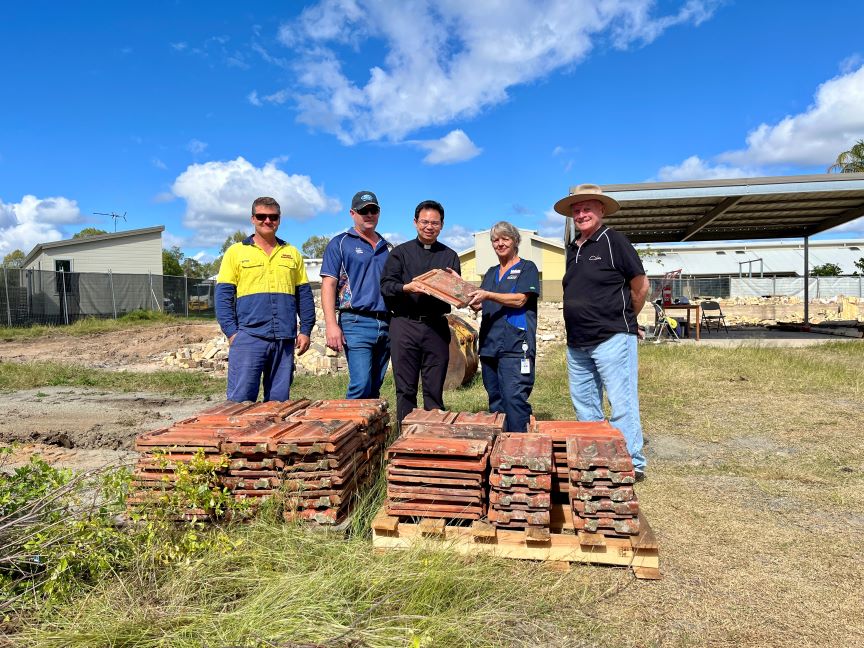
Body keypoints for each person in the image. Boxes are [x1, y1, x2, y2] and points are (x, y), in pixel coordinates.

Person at [554, 184, 650, 479]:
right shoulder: (573, 248)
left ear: (601, 210)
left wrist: (625, 321)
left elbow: (640, 286)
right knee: (585, 405)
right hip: (578, 342)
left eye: (587, 208)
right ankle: (597, 459)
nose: (581, 214)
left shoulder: (614, 241)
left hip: (611, 337)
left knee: (621, 402)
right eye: (576, 210)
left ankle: (632, 463)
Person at [215, 196, 314, 402]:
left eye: (273, 217)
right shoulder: (236, 252)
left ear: (279, 219)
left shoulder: (292, 253)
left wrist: (305, 330)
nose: (267, 221)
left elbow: (304, 295)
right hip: (248, 338)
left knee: (277, 405)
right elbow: (223, 297)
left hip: (284, 340)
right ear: (253, 219)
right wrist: (233, 334)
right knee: (240, 403)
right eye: (261, 216)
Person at [380, 200, 461, 423]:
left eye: (435, 223)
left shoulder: (450, 256)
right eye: (424, 221)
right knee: (405, 388)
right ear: (415, 222)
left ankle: (432, 437)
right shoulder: (400, 253)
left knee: (434, 388)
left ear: (442, 225)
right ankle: (406, 439)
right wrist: (406, 288)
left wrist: (460, 288)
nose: (429, 226)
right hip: (404, 325)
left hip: (436, 326)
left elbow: (457, 294)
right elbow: (386, 286)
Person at [467, 222, 539, 433]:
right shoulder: (491, 273)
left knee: (514, 397)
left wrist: (487, 295)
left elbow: (520, 300)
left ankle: (519, 448)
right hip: (490, 345)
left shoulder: (527, 268)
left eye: (505, 239)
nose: (500, 243)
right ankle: (500, 446)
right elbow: (483, 302)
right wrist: (467, 295)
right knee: (495, 398)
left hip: (515, 346)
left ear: (515, 241)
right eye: (495, 240)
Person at [320, 190, 392, 399]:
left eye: (373, 210)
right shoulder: (340, 243)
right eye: (363, 211)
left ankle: (370, 430)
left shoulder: (387, 247)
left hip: (385, 323)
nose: (368, 214)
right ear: (353, 213)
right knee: (360, 385)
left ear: (378, 213)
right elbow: (329, 285)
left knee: (375, 385)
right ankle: (350, 429)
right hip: (356, 322)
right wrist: (331, 325)